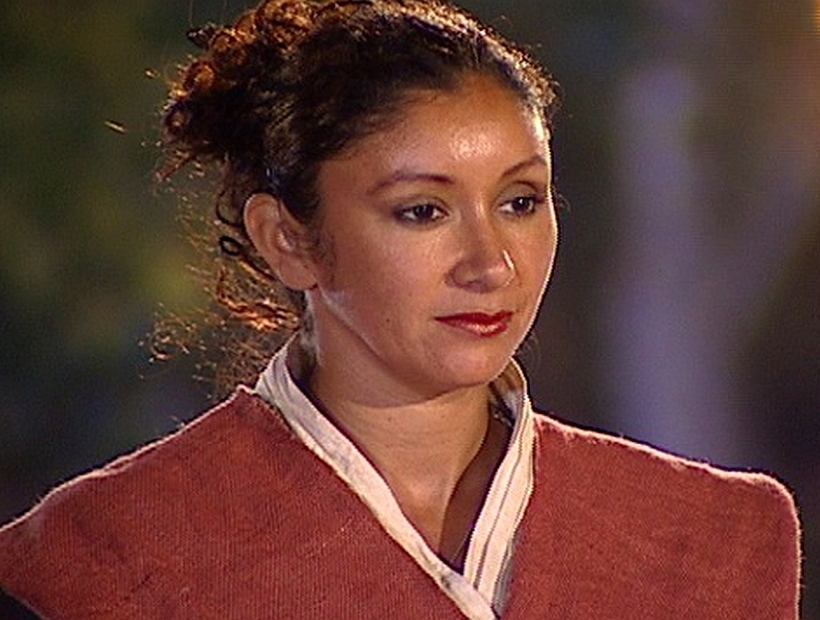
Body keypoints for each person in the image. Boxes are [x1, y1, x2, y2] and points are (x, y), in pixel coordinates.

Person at [0, 0, 801, 618]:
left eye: (520, 201)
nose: (492, 264)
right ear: (289, 240)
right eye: (423, 211)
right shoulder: (107, 556)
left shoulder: (713, 541)